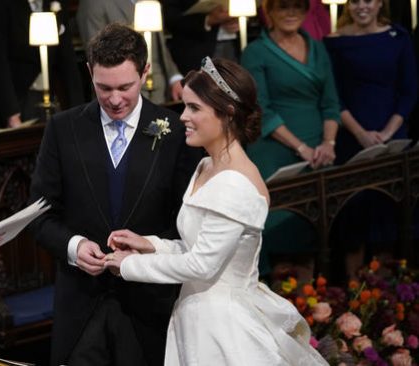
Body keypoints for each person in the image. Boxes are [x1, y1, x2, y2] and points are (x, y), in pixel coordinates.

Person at [104, 57, 328, 366]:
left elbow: (202, 266)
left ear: (227, 113)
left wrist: (130, 266)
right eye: (185, 106)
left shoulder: (235, 183)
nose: (183, 117)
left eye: (194, 108)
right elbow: (200, 247)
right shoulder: (207, 165)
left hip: (224, 326)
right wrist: (151, 244)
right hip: (196, 316)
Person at [28, 23, 199, 366]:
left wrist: (142, 253)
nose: (115, 99)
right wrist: (74, 247)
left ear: (145, 71)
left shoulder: (178, 133)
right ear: (89, 71)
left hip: (149, 305)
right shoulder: (63, 129)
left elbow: (186, 224)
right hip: (81, 305)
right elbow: (39, 216)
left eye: (125, 86)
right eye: (103, 88)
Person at [241, 0, 341, 279]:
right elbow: (262, 109)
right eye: (283, 7)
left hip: (320, 153)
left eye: (297, 7)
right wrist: (301, 148)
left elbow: (331, 103)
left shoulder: (318, 47)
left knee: (318, 237)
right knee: (280, 235)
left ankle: (318, 307)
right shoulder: (255, 52)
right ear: (269, 12)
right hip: (275, 150)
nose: (290, 14)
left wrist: (328, 144)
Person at [324, 0, 417, 278]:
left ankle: (387, 303)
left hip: (393, 138)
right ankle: (355, 298)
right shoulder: (332, 43)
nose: (362, 6)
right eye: (355, 1)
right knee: (355, 215)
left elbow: (409, 90)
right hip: (351, 139)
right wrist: (361, 133)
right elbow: (332, 96)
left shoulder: (398, 37)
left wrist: (387, 133)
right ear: (348, 6)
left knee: (388, 216)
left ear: (380, 4)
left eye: (369, 0)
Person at [0, 0, 84, 128]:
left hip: (48, 94)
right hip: (14, 97)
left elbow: (68, 60)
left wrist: (79, 111)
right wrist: (11, 114)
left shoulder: (56, 2)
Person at [76, 0, 184, 104]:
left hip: (161, 89)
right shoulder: (93, 3)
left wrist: (174, 77)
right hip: (121, 95)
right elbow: (97, 55)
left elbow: (159, 44)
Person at [162, 0, 240, 73]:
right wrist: (208, 19)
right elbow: (170, 16)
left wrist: (241, 20)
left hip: (235, 46)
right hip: (196, 49)